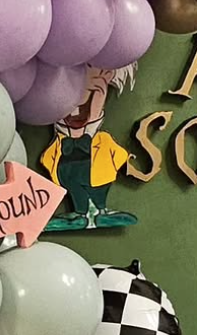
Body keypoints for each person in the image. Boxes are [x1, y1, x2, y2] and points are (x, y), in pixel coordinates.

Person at [41, 66, 137, 230]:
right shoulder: (60, 143)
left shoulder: (103, 140)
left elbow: (119, 155)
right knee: (75, 190)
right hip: (68, 170)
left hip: (97, 172)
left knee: (97, 190)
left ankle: (99, 210)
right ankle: (82, 213)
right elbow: (47, 158)